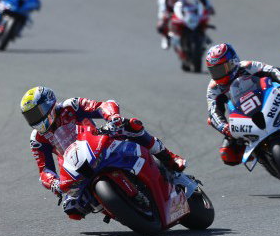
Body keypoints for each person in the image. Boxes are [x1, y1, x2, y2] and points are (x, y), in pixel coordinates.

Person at [21, 86, 186, 220]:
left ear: (49, 104)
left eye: (36, 112)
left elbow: (101, 106)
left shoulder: (70, 106)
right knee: (72, 210)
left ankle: (169, 157)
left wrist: (112, 117)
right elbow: (44, 170)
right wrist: (53, 183)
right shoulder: (37, 138)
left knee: (132, 126)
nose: (34, 119)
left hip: (98, 142)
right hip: (75, 168)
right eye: (30, 116)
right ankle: (114, 208)